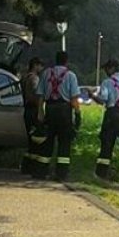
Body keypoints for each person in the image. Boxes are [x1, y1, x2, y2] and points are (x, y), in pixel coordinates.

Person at [33, 51, 81, 181]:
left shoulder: (46, 74)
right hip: (64, 110)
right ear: (66, 61)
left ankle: (41, 172)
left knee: (47, 141)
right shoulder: (71, 76)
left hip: (50, 108)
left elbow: (41, 96)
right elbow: (74, 99)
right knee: (64, 142)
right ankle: (61, 174)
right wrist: (77, 114)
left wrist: (40, 112)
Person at [20, 57, 44, 175]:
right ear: (35, 65)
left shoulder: (24, 77)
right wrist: (41, 109)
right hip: (33, 109)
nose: (41, 68)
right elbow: (37, 94)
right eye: (40, 65)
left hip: (26, 109)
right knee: (36, 140)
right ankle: (33, 167)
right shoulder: (34, 78)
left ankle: (26, 166)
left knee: (30, 139)